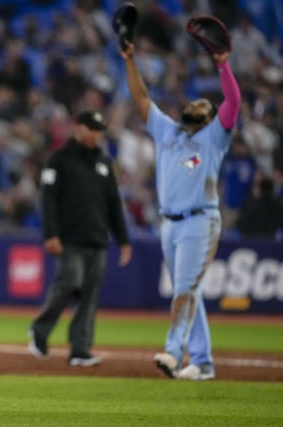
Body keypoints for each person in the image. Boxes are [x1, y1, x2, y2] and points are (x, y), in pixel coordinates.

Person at [120, 38, 241, 380]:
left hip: (200, 221)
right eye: (195, 100)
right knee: (189, 290)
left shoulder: (215, 136)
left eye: (204, 103)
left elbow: (233, 101)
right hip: (169, 224)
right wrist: (130, 59)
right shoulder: (168, 131)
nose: (197, 103)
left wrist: (222, 65)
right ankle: (202, 362)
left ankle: (174, 352)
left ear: (210, 116)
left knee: (185, 289)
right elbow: (141, 98)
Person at [28, 110, 132, 367]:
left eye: (99, 130)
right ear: (78, 128)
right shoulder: (59, 159)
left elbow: (113, 205)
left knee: (89, 295)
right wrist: (50, 234)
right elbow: (48, 200)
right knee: (69, 283)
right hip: (69, 238)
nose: (96, 134)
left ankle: (80, 350)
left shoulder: (105, 163)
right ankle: (40, 330)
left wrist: (123, 240)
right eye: (92, 128)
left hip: (97, 238)